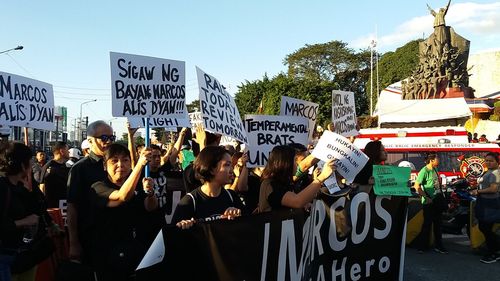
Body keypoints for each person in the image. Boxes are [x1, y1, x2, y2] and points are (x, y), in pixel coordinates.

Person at [89, 143, 154, 280]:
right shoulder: (98, 187)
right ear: (105, 166)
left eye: (125, 160)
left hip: (136, 252)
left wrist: (150, 193)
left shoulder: (137, 183)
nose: (120, 165)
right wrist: (140, 165)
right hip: (109, 256)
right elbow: (122, 196)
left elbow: (150, 207)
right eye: (114, 161)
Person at [0, 142, 58, 281]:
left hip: (25, 255)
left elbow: (39, 207)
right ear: (22, 165)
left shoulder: (24, 185)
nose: (32, 164)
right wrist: (23, 222)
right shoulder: (2, 187)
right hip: (6, 258)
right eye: (30, 161)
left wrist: (31, 192)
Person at [66, 120, 115, 264]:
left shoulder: (116, 164)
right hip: (91, 236)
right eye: (104, 138)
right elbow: (72, 207)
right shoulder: (80, 169)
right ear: (90, 141)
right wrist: (73, 242)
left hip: (116, 234)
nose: (108, 142)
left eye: (111, 138)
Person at [173, 146, 244, 229]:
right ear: (211, 169)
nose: (232, 170)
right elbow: (172, 235)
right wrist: (183, 226)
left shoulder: (232, 197)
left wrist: (238, 216)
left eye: (231, 165)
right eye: (227, 165)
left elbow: (248, 227)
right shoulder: (189, 202)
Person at [258, 145, 335, 212]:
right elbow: (297, 201)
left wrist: (305, 204)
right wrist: (322, 177)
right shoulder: (269, 184)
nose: (297, 164)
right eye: (295, 160)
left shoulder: (286, 182)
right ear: (285, 163)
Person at [413, 153, 448, 254]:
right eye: (437, 158)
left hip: (437, 201)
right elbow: (417, 186)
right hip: (429, 202)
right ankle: (422, 246)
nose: (439, 160)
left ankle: (439, 245)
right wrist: (426, 197)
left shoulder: (435, 169)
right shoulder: (424, 171)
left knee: (438, 224)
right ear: (432, 160)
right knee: (427, 224)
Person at [470, 152, 500, 263]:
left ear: (497, 162)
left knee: (485, 227)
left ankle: (494, 252)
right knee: (484, 227)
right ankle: (494, 250)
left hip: (490, 203)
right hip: (485, 202)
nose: (488, 162)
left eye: (491, 161)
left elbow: (493, 189)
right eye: (486, 160)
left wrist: (477, 191)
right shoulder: (490, 171)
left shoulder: (496, 173)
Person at [39, 141, 70, 208]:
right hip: (54, 207)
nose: (69, 152)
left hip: (65, 204)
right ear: (62, 151)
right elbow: (42, 187)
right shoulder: (49, 167)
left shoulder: (66, 166)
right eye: (67, 150)